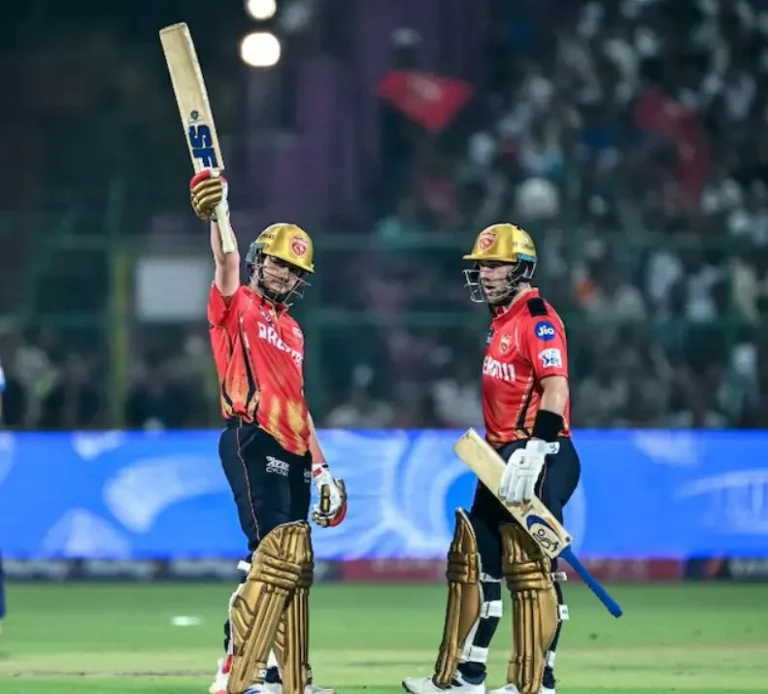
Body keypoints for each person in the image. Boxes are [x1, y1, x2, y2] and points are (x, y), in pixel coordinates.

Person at [402, 224, 580, 694]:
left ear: (521, 269)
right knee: (476, 562)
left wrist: (536, 450)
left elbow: (556, 387)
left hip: (541, 454)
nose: (484, 274)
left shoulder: (538, 317)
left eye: (495, 265)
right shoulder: (501, 321)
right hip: (498, 456)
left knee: (535, 569)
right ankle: (468, 676)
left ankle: (540, 681)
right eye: (481, 265)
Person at [188, 170, 347, 694]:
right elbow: (225, 260)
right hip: (250, 437)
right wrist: (220, 211)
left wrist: (321, 466)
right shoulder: (236, 306)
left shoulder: (294, 330)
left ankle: (281, 674)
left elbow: (299, 405)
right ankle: (235, 669)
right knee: (267, 555)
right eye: (277, 261)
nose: (282, 273)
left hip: (294, 448)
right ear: (261, 259)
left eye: (293, 269)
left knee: (292, 565)